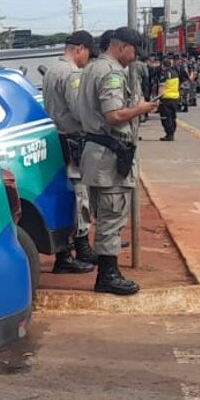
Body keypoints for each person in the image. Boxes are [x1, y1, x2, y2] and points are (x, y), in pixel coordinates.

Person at [76, 27, 159, 295]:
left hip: (97, 153)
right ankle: (108, 275)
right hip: (109, 156)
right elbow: (113, 115)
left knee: (105, 216)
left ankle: (108, 272)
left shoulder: (92, 68)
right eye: (134, 52)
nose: (135, 58)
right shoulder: (111, 72)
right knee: (112, 217)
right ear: (122, 46)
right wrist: (140, 109)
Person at [41, 30, 99, 275]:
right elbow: (79, 111)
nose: (88, 60)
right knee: (79, 195)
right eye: (88, 54)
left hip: (56, 138)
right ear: (80, 49)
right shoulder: (72, 73)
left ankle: (70, 250)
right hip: (72, 139)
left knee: (65, 195)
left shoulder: (53, 69)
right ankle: (76, 248)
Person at [158, 58, 181, 141]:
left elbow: (161, 87)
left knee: (165, 117)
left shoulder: (164, 74)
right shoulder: (175, 73)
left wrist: (158, 99)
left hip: (166, 98)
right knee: (173, 116)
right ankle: (172, 133)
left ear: (163, 65)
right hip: (175, 98)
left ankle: (169, 134)